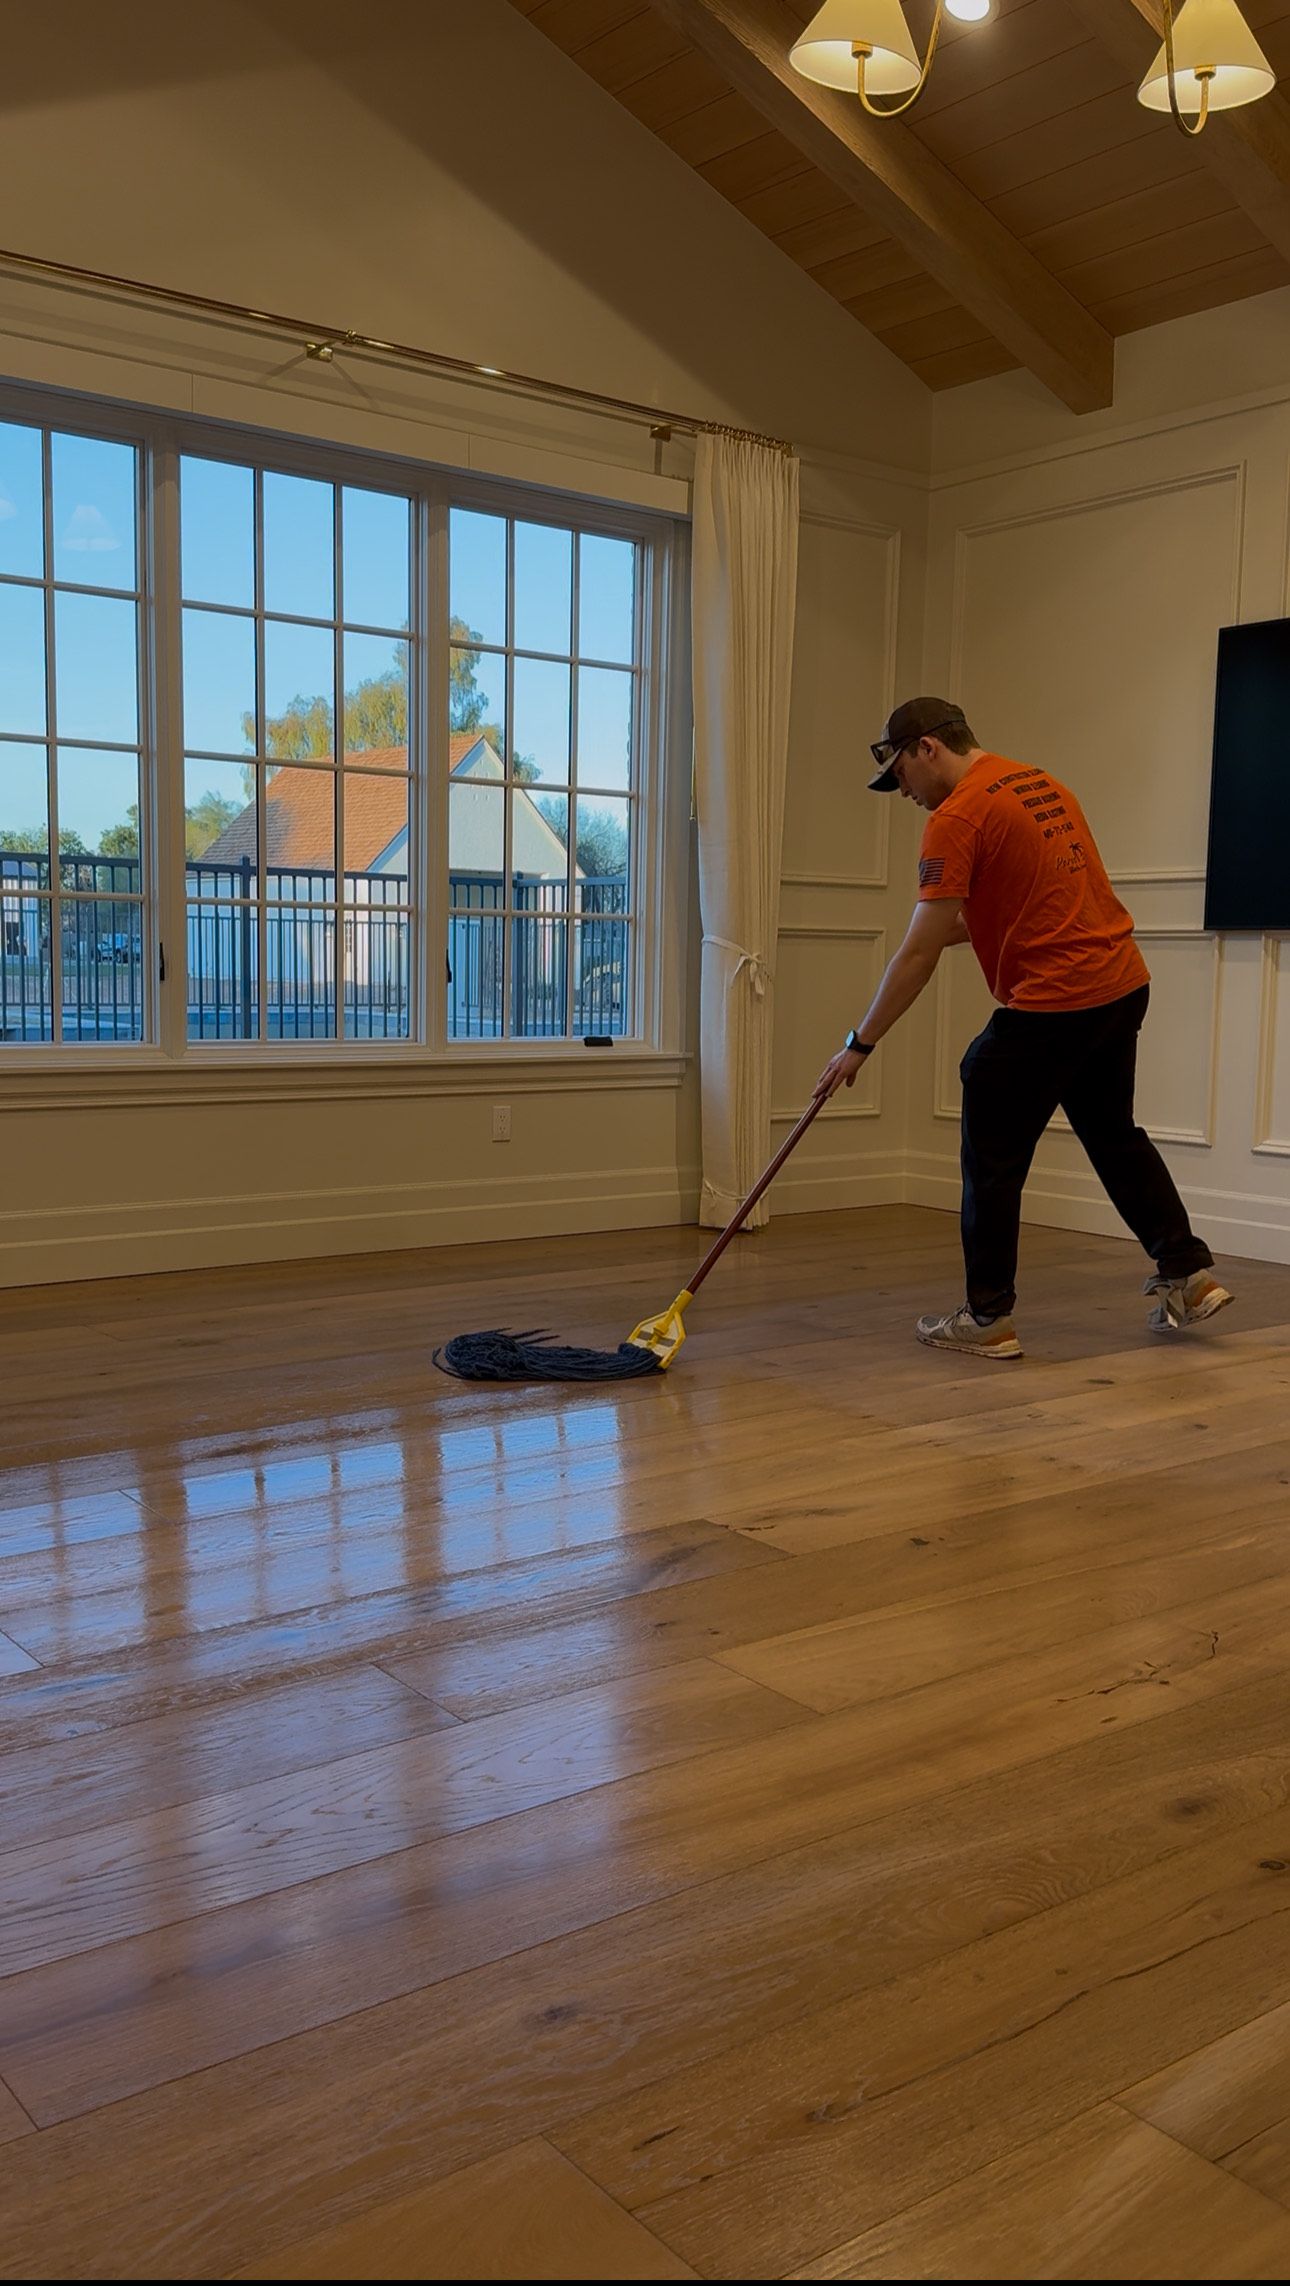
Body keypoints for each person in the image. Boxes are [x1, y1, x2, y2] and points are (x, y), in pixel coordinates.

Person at [815, 697, 1232, 1361]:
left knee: (991, 1154)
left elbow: (920, 953)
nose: (903, 793)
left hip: (1054, 1003)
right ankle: (1185, 1271)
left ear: (927, 748)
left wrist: (858, 1045)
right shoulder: (1040, 784)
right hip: (1120, 985)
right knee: (1113, 1136)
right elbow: (991, 914)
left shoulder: (957, 817)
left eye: (901, 776)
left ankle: (987, 1316)